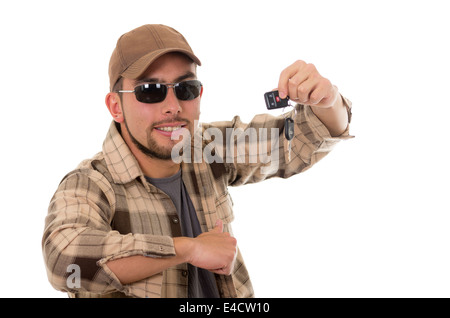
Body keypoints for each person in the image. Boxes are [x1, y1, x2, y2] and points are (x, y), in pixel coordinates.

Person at [42, 24, 352, 298]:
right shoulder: (89, 183)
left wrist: (328, 100)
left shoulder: (207, 148)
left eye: (185, 89)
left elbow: (302, 140)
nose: (173, 106)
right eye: (151, 91)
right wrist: (188, 249)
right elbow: (63, 263)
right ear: (116, 106)